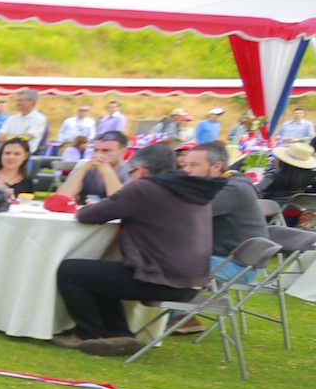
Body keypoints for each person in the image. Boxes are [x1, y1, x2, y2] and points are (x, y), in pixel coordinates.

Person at [52, 143, 218, 355]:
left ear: (141, 171)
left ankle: (88, 334)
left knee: (70, 271)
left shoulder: (145, 188)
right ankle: (119, 333)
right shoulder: (192, 189)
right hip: (191, 280)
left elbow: (88, 216)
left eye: (130, 172)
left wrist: (94, 206)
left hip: (161, 279)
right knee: (102, 272)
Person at [184, 141, 266, 276]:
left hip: (238, 266)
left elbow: (189, 214)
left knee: (162, 261)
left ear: (217, 166)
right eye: (185, 165)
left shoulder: (234, 189)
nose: (187, 170)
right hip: (227, 258)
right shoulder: (224, 182)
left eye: (194, 165)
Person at [74, 131, 130, 204]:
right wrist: (83, 170)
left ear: (123, 152)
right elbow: (63, 197)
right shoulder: (85, 166)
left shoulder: (130, 171)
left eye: (106, 150)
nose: (98, 154)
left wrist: (107, 171)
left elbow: (121, 203)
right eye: (95, 150)